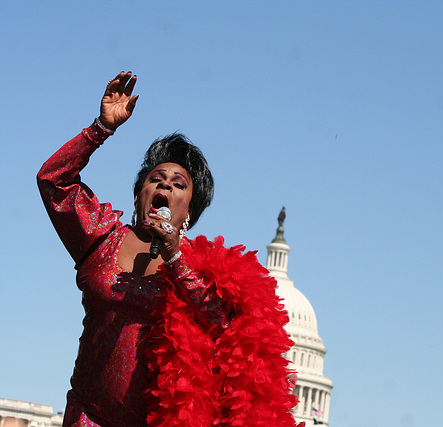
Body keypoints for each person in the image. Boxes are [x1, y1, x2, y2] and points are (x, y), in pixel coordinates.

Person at [37, 71, 301, 426]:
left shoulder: (204, 269)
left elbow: (230, 331)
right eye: (155, 179)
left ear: (189, 210)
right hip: (86, 417)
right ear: (138, 195)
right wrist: (101, 127)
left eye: (179, 184)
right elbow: (54, 181)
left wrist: (175, 259)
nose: (164, 185)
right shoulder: (102, 237)